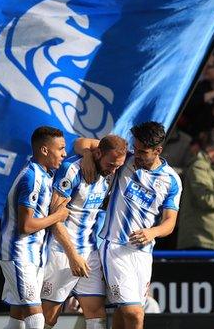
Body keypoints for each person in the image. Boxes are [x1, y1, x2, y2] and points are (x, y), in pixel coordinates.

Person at [74, 121, 182, 329]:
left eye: (143, 151)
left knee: (123, 315)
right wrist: (88, 155)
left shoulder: (172, 180)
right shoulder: (125, 160)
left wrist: (153, 232)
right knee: (134, 313)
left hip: (142, 254)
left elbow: (169, 223)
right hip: (114, 246)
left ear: (158, 150)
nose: (137, 154)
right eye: (136, 148)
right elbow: (80, 142)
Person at [41, 135, 128, 329]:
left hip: (89, 251)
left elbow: (84, 143)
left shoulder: (109, 170)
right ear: (98, 153)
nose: (114, 170)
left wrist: (87, 152)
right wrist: (72, 255)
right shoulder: (72, 169)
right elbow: (54, 218)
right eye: (111, 164)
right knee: (48, 317)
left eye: (118, 166)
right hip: (62, 252)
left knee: (96, 313)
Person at [0, 126, 69, 329]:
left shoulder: (45, 174)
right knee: (36, 320)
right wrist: (57, 216)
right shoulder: (31, 178)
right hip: (18, 254)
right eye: (61, 148)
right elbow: (26, 226)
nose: (65, 153)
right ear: (45, 150)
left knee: (17, 321)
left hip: (33, 255)